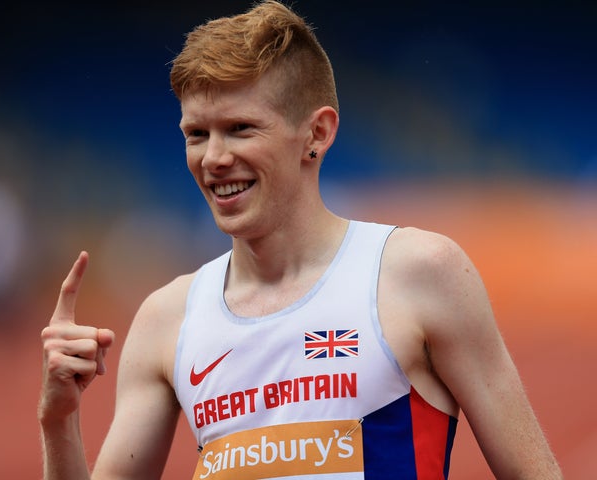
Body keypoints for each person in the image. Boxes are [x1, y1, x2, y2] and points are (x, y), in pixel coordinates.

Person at [39, 1, 562, 478]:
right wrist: (58, 421)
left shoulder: (418, 272)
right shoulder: (167, 318)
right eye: (196, 133)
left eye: (241, 128)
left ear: (317, 133)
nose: (213, 158)